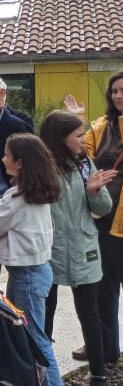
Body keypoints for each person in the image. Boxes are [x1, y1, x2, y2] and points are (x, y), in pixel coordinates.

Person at [0, 134, 70, 386]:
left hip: (27, 276)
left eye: (6, 155)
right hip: (31, 273)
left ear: (21, 162)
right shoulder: (33, 193)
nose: (2, 159)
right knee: (27, 336)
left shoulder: (19, 198)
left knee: (36, 340)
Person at [40, 110, 115, 386]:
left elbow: (103, 205)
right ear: (61, 139)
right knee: (44, 318)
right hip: (49, 251)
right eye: (77, 135)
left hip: (84, 250)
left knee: (90, 319)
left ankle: (100, 381)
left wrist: (94, 191)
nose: (83, 140)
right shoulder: (40, 166)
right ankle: (43, 381)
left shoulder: (84, 163)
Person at [66, 74, 123, 365]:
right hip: (104, 218)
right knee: (104, 289)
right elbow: (79, 154)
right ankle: (104, 347)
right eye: (114, 91)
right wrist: (76, 122)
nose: (118, 96)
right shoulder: (101, 126)